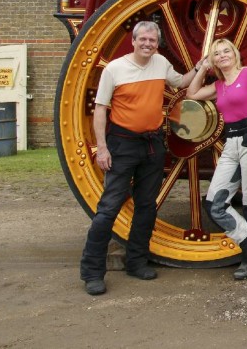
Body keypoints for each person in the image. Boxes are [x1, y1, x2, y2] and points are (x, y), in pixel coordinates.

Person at [80, 21, 198, 296]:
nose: (147, 44)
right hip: (122, 144)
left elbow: (180, 82)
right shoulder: (114, 69)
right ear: (133, 41)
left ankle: (136, 261)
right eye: (143, 39)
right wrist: (103, 147)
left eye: (152, 40)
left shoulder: (160, 63)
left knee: (146, 205)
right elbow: (100, 110)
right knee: (109, 208)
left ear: (157, 43)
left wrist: (201, 66)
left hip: (153, 143)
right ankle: (92, 272)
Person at [187, 37, 247, 280]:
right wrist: (202, 68)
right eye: (217, 54)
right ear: (214, 60)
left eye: (226, 51)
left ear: (235, 54)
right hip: (230, 144)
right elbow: (192, 93)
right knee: (214, 204)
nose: (223, 56)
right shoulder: (218, 86)